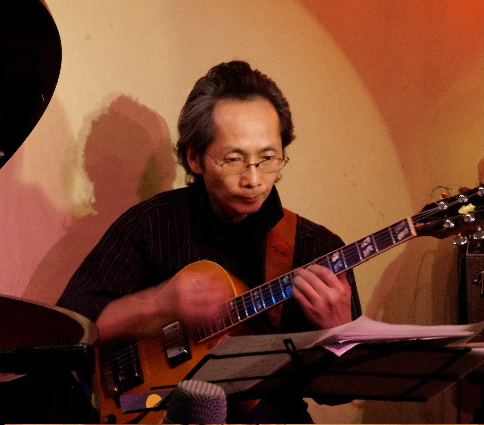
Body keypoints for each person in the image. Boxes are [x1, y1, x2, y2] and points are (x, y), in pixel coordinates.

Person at [58, 60, 362, 423]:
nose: (254, 180)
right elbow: (68, 334)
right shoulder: (150, 225)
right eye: (233, 160)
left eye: (268, 158)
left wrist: (341, 333)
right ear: (194, 157)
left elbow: (340, 395)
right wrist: (156, 305)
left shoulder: (317, 249)